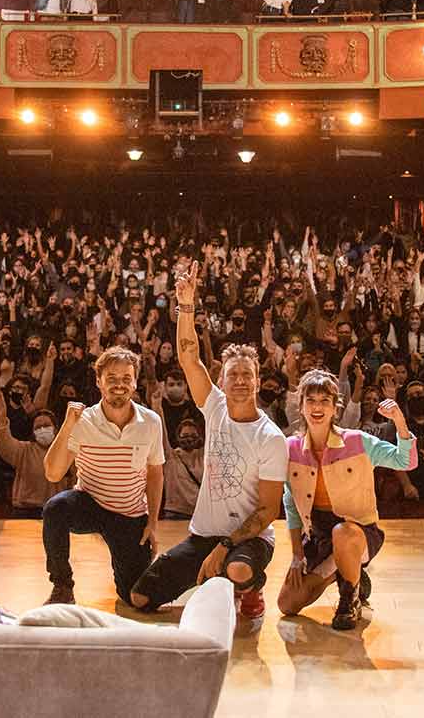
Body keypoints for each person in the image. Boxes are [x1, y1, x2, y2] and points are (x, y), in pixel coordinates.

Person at [128, 263, 288, 621]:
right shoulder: (214, 406)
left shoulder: (271, 438)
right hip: (203, 535)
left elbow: (266, 511)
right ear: (222, 379)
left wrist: (226, 547)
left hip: (248, 540)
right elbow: (188, 356)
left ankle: (249, 588)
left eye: (248, 375)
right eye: (234, 375)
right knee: (140, 597)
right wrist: (186, 305)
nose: (241, 381)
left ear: (259, 382)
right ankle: (217, 578)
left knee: (238, 570)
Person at [277, 368, 415, 630]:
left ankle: (349, 599)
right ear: (302, 406)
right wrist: (297, 554)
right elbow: (290, 503)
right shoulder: (290, 449)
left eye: (324, 401)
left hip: (357, 531)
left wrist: (399, 421)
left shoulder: (357, 441)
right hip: (317, 535)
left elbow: (405, 460)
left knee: (343, 533)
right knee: (288, 604)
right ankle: (343, 572)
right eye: (311, 401)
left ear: (334, 407)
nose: (317, 407)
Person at [41, 345, 164, 606]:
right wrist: (68, 424)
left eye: (126, 379)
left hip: (129, 514)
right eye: (111, 379)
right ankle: (62, 585)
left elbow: (155, 473)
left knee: (135, 597)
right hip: (90, 504)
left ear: (134, 383)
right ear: (98, 382)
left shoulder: (151, 422)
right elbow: (53, 473)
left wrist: (152, 522)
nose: (119, 385)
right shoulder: (83, 420)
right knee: (56, 508)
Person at [0, 390, 73, 515]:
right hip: (25, 510)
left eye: (46, 425)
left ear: (56, 429)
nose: (42, 429)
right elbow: (4, 445)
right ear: (33, 432)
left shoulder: (67, 450)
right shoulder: (24, 450)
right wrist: (2, 419)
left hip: (57, 510)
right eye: (38, 427)